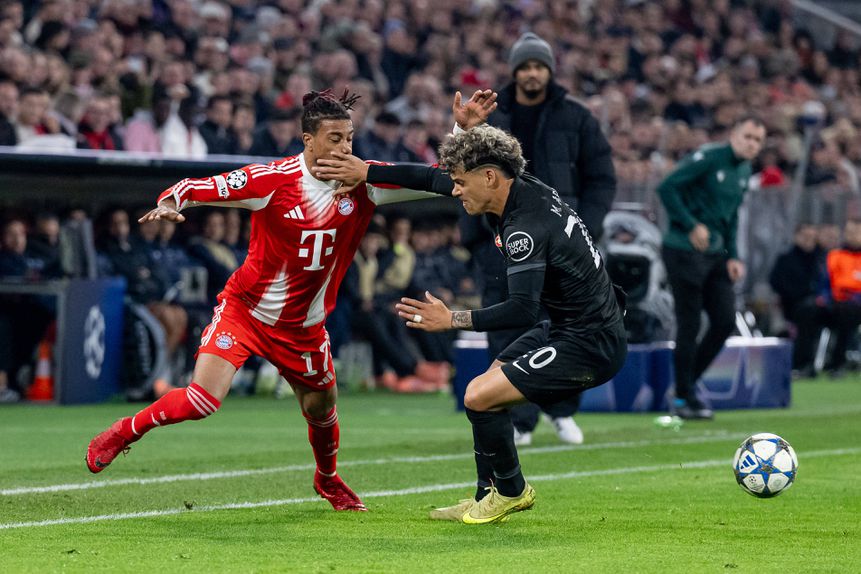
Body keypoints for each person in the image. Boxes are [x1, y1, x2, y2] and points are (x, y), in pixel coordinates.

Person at [85, 88, 498, 513]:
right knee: (203, 400)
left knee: (322, 410)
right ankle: (124, 431)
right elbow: (196, 185)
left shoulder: (366, 181)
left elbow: (439, 177)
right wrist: (169, 202)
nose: (345, 147)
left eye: (350, 138)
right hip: (245, 313)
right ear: (308, 140)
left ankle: (328, 478)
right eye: (335, 138)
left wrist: (462, 130)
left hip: (303, 329)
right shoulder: (273, 180)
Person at [313, 124, 627, 524]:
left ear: (490, 177)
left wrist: (452, 319)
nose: (455, 191)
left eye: (462, 183)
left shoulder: (524, 230)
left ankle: (512, 491)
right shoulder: (522, 188)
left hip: (591, 343)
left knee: (478, 396)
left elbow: (521, 310)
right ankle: (487, 493)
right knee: (488, 383)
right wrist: (366, 172)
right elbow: (429, 178)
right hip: (571, 325)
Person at [483, 32, 618, 446]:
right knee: (508, 323)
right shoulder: (495, 117)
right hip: (502, 239)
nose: (531, 73)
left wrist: (584, 227)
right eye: (524, 66)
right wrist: (484, 233)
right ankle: (518, 419)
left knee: (570, 326)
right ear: (514, 71)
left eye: (538, 66)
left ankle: (562, 413)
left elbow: (602, 178)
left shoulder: (577, 117)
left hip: (564, 246)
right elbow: (468, 177)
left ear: (549, 71)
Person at [657, 115, 766, 420]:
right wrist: (691, 225)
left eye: (758, 140)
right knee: (689, 323)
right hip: (682, 249)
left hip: (717, 253)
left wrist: (734, 255)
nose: (751, 144)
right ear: (733, 134)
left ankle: (686, 385)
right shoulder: (708, 157)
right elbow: (667, 188)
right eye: (747, 137)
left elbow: (731, 217)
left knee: (723, 320)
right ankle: (683, 398)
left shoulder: (744, 170)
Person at [769, 223, 827, 376]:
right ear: (797, 236)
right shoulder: (786, 259)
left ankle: (835, 362)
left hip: (821, 306)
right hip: (794, 306)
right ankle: (802, 363)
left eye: (812, 238)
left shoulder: (821, 259)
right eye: (805, 237)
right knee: (807, 313)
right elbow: (776, 282)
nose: (809, 241)